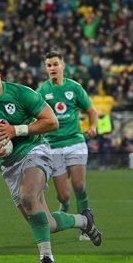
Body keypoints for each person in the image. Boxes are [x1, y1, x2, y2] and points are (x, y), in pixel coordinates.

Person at [0, 57, 102, 263]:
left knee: (28, 196)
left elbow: (51, 121)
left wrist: (16, 130)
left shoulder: (21, 93)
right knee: (45, 222)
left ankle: (47, 260)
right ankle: (84, 220)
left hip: (35, 151)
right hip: (8, 166)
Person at [36, 51, 101, 242]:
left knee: (79, 186)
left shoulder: (75, 87)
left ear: (63, 65)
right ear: (46, 68)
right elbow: (36, 116)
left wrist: (93, 126)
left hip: (75, 142)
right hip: (53, 146)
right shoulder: (41, 91)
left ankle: (86, 226)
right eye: (49, 65)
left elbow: (91, 110)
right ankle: (64, 206)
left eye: (55, 64)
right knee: (63, 195)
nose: (52, 68)